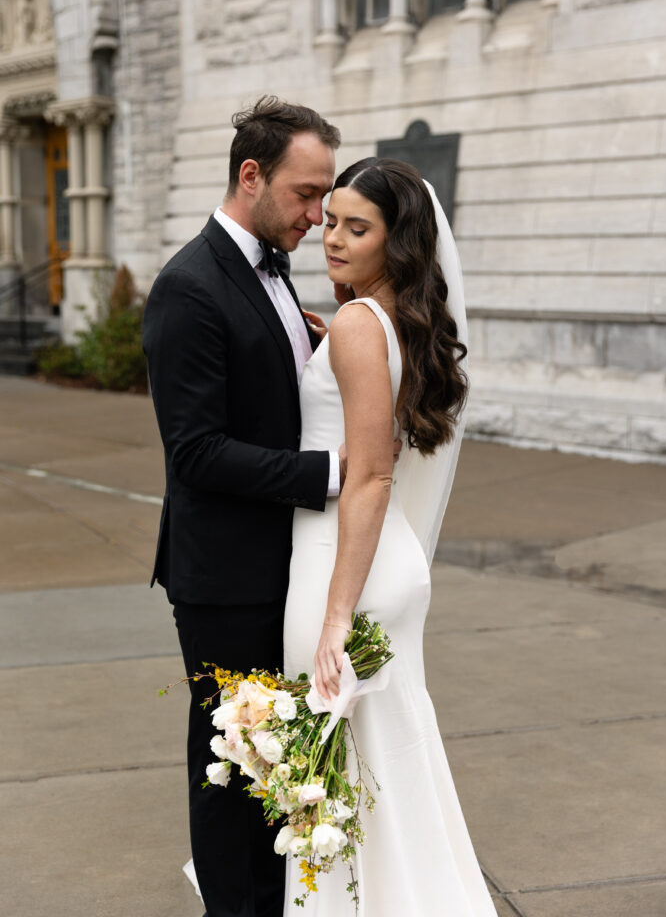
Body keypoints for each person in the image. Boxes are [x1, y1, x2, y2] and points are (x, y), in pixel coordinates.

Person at [142, 96, 342, 917]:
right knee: (231, 767)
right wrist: (327, 473)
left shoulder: (272, 267)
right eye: (304, 193)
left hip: (280, 564)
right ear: (250, 175)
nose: (317, 214)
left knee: (278, 766)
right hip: (225, 577)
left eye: (325, 195)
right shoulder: (187, 287)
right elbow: (196, 451)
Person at [283, 158, 497, 915]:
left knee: (331, 774)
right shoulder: (396, 321)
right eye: (330, 219)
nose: (331, 238)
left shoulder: (354, 325)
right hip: (390, 561)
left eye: (355, 228)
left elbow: (369, 476)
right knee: (388, 766)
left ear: (395, 240)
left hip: (342, 565)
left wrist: (337, 613)